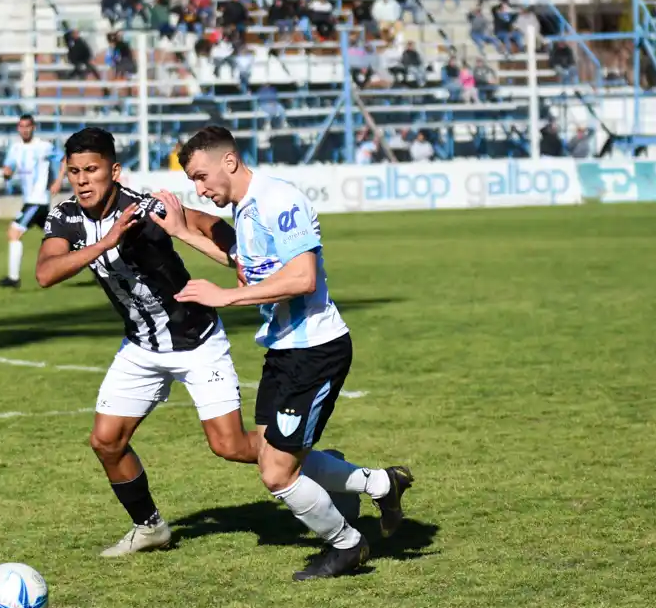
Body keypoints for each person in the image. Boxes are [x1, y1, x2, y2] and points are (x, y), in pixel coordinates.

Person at [35, 127, 401, 563]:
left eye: (91, 170)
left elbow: (211, 226)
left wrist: (237, 260)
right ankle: (149, 527)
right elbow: (46, 272)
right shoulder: (65, 218)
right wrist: (106, 242)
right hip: (141, 346)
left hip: (196, 340)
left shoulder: (146, 208)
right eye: (74, 171)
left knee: (231, 446)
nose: (82, 180)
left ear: (113, 171)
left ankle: (327, 473)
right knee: (105, 441)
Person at [167, 125, 414, 580]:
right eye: (193, 184)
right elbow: (248, 268)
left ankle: (347, 545)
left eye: (202, 177)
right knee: (267, 452)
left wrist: (223, 297)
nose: (199, 190)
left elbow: (302, 277)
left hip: (316, 350)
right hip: (283, 349)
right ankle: (381, 483)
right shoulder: (245, 210)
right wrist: (183, 231)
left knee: (277, 474)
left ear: (229, 161)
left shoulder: (280, 200)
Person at [0, 115, 63, 288]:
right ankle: (97, 263)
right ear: (18, 128)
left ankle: (13, 278)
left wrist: (58, 181)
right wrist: (7, 172)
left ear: (33, 127)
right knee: (59, 237)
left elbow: (64, 159)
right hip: (30, 200)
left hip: (37, 201)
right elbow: (8, 167)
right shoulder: (15, 148)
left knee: (14, 233)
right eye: (21, 127)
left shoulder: (43, 146)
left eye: (28, 126)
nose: (24, 130)